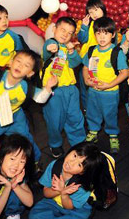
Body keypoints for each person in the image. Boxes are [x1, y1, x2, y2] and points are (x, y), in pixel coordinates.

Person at [82, 17, 129, 154]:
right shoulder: (92, 51)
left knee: (110, 115)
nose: (102, 37)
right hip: (93, 91)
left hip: (110, 92)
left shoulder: (116, 52)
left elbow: (124, 73)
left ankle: (113, 135)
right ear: (94, 34)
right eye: (98, 33)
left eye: (106, 33)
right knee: (92, 112)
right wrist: (86, 79)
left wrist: (109, 85)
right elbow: (85, 67)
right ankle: (93, 131)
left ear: (113, 34)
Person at [42, 17, 86, 158]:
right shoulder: (51, 43)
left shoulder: (67, 47)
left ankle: (79, 143)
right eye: (62, 30)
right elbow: (47, 49)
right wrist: (51, 48)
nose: (65, 34)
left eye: (70, 33)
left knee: (75, 117)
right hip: (54, 91)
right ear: (54, 29)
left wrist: (72, 51)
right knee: (54, 120)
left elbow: (75, 63)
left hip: (71, 89)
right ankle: (55, 144)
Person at [29, 143, 107, 219]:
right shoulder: (55, 166)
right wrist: (58, 191)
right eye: (75, 155)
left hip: (76, 207)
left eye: (79, 165)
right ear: (71, 150)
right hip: (54, 200)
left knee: (81, 215)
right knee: (35, 215)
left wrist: (64, 194)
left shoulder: (82, 184)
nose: (71, 163)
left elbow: (69, 207)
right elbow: (46, 193)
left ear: (83, 172)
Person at [76, 0, 106, 110]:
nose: (94, 14)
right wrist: (84, 26)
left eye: (96, 10)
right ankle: (86, 108)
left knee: (98, 83)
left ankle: (98, 107)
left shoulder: (108, 24)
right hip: (86, 60)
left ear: (103, 8)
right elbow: (81, 39)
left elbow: (113, 43)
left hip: (101, 60)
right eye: (90, 12)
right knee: (84, 83)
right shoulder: (88, 25)